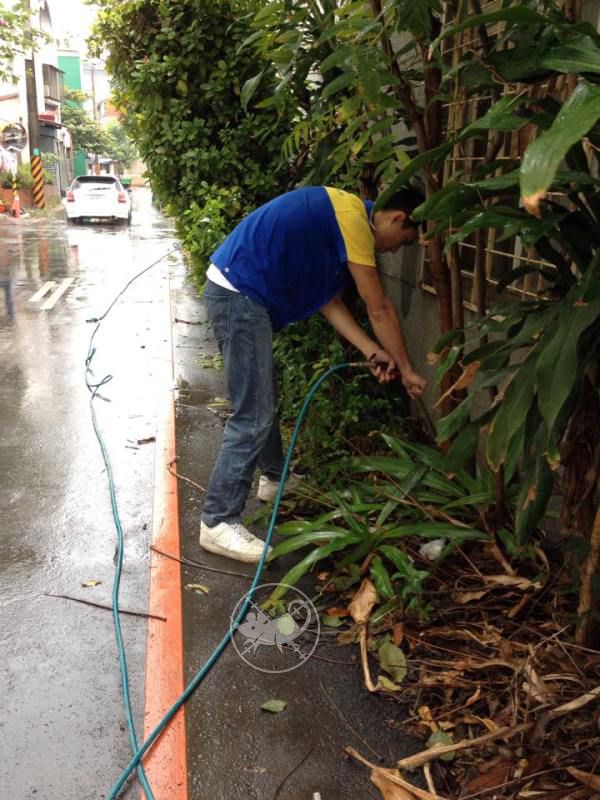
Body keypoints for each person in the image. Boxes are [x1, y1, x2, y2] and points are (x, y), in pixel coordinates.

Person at [200, 185, 428, 563]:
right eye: (404, 240)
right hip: (237, 293)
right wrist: (406, 369)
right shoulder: (352, 218)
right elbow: (380, 309)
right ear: (397, 218)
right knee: (253, 411)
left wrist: (373, 351)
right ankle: (218, 521)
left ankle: (274, 479)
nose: (395, 251)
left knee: (261, 398)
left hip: (240, 293)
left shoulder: (343, 222)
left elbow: (328, 302)